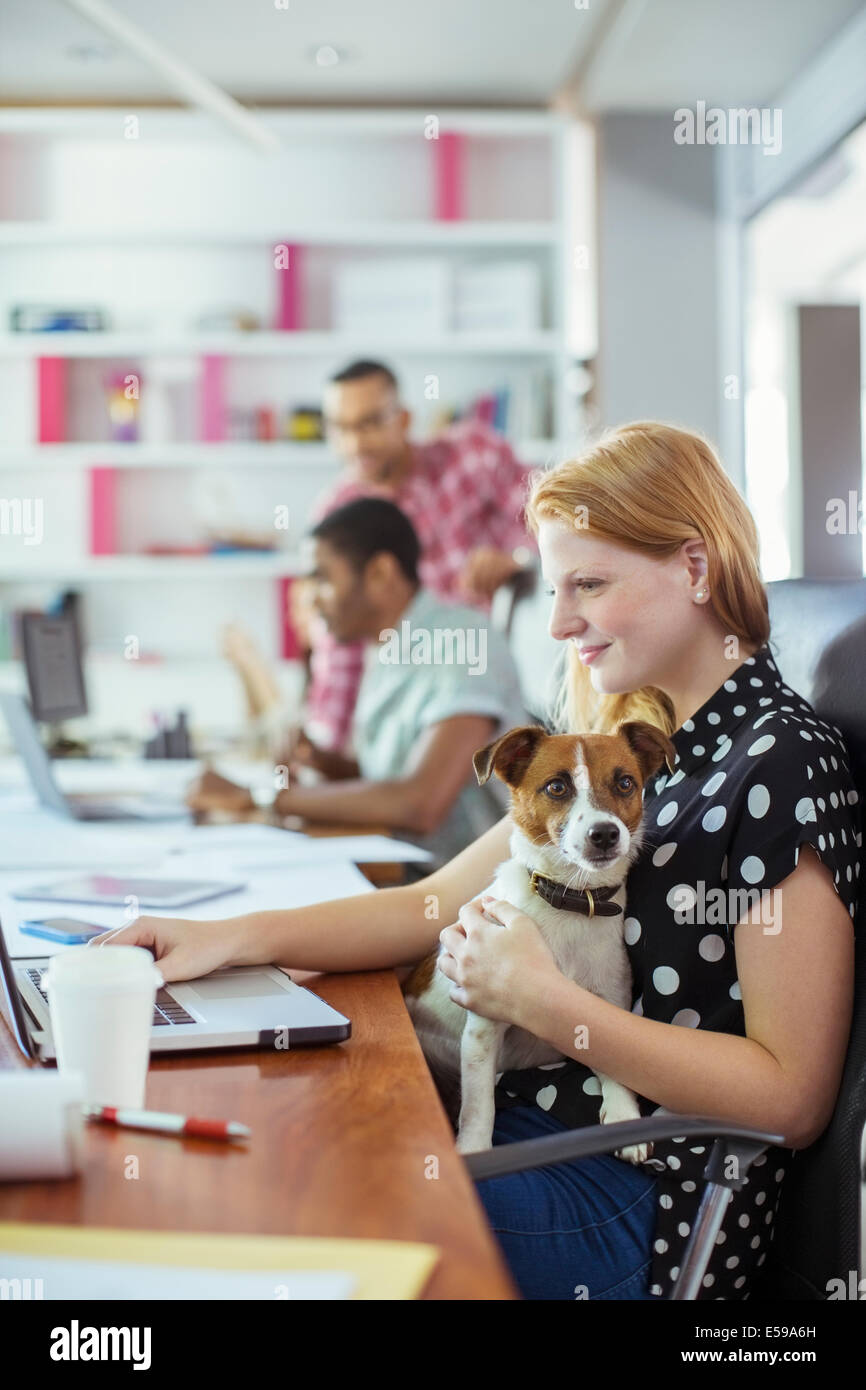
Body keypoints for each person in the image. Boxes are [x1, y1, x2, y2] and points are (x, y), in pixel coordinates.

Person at [90, 421, 861, 1302]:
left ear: (694, 566)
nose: (562, 620)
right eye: (556, 589)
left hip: (644, 1193)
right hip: (539, 1124)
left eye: (590, 584)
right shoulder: (627, 751)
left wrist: (545, 1001)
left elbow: (791, 1099)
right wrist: (224, 939)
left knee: (293, 1202)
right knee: (267, 1140)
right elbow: (427, 905)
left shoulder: (778, 762)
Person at [192, 498, 528, 869]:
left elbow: (420, 803)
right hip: (405, 870)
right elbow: (392, 777)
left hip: (462, 892)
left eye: (321, 578)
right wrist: (326, 762)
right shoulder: (391, 646)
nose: (310, 599)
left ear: (380, 574)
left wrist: (262, 797)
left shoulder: (460, 641)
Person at [303, 359, 538, 753]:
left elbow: (553, 514)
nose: (355, 444)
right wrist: (323, 744)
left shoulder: (472, 454)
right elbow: (338, 643)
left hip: (511, 673)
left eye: (370, 423)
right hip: (425, 695)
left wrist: (515, 556)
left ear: (405, 418)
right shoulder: (337, 517)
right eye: (340, 429)